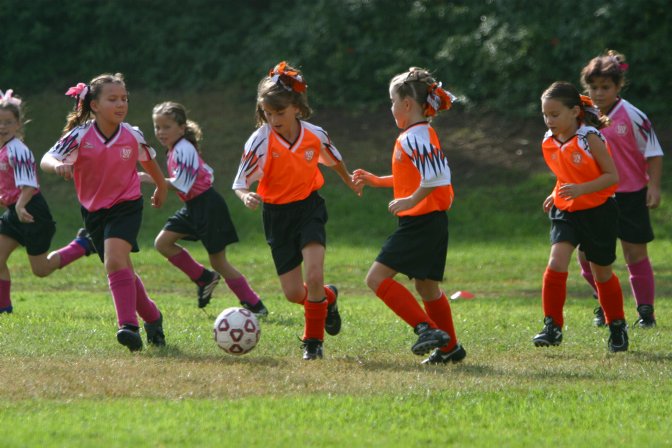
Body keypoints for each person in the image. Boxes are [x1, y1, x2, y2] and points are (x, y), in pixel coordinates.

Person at [233, 61, 361, 360]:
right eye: (268, 113)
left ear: (296, 108)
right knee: (294, 293)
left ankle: (312, 342)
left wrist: (349, 181)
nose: (274, 119)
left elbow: (334, 159)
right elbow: (240, 182)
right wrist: (246, 197)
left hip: (308, 208)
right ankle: (329, 299)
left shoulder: (314, 135)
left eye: (280, 112)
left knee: (314, 275)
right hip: (276, 216)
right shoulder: (259, 142)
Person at [40, 74, 169, 352]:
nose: (121, 104)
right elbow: (47, 159)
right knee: (124, 271)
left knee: (113, 260)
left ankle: (128, 327)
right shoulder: (80, 134)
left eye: (124, 99)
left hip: (126, 205)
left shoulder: (132, 135)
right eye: (113, 99)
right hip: (94, 212)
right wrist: (58, 166)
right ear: (95, 105)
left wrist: (161, 187)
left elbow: (150, 162)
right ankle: (153, 318)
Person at [353, 67, 466, 364]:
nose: (390, 108)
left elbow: (438, 176)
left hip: (421, 222)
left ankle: (426, 329)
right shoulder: (419, 134)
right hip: (431, 221)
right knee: (427, 287)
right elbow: (416, 175)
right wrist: (378, 180)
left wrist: (411, 200)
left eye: (392, 102)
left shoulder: (415, 137)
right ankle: (450, 347)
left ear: (406, 104)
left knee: (376, 278)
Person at [143, 101, 267, 316]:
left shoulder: (184, 149)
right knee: (163, 243)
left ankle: (255, 305)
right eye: (157, 127)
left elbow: (183, 184)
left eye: (166, 127)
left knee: (219, 262)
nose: (160, 132)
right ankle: (204, 278)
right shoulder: (174, 149)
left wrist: (151, 179)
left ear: (181, 128)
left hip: (208, 206)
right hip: (193, 206)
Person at [533, 81, 628, 352]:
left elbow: (612, 178)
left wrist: (581, 189)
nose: (548, 120)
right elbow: (565, 174)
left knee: (602, 272)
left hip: (598, 211)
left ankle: (617, 327)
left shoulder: (590, 138)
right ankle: (552, 326)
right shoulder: (548, 141)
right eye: (545, 115)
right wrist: (557, 191)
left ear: (575, 112)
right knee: (556, 261)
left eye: (554, 114)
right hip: (567, 210)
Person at [579, 50, 663, 328]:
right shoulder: (580, 116)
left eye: (606, 87)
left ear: (618, 87)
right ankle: (606, 306)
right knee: (587, 257)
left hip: (630, 194)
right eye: (594, 87)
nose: (599, 93)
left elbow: (653, 152)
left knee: (635, 255)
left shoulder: (633, 116)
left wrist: (654, 187)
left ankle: (646, 313)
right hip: (594, 195)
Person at [0, 89, 94, 314]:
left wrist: (21, 205)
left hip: (32, 210)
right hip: (16, 211)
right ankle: (4, 308)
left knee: (40, 270)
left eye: (8, 122)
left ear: (18, 125)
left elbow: (29, 185)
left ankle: (82, 245)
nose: (2, 126)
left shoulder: (17, 150)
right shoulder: (2, 149)